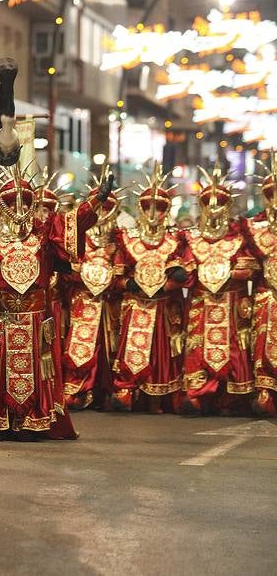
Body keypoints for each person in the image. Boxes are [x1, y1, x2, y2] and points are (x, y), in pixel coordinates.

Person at [0, 166, 102, 440]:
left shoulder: (45, 234)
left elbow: (73, 224)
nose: (19, 208)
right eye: (12, 201)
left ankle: (30, 419)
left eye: (25, 201)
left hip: (35, 318)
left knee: (35, 367)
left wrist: (94, 202)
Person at [111, 163, 193, 413]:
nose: (153, 213)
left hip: (164, 306)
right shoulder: (128, 239)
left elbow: (186, 272)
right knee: (132, 349)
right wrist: (129, 283)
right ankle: (128, 391)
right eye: (148, 207)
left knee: (163, 351)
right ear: (140, 209)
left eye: (159, 208)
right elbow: (117, 273)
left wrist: (169, 283)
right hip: (137, 304)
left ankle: (161, 395)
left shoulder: (175, 240)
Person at [182, 163, 260, 415]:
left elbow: (250, 268)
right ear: (202, 206)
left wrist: (228, 272)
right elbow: (185, 272)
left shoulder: (238, 238)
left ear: (227, 206)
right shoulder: (192, 238)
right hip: (202, 304)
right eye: (208, 202)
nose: (214, 208)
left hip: (230, 304)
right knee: (198, 347)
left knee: (234, 348)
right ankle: (197, 394)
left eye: (219, 202)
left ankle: (230, 398)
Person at [59, 169, 124, 411]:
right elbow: (66, 266)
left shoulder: (121, 238)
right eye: (100, 207)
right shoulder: (79, 236)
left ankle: (108, 390)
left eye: (108, 207)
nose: (103, 213)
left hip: (109, 303)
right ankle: (77, 388)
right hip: (82, 300)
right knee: (79, 345)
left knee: (111, 346)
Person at [243, 151, 277, 416]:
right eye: (271, 193)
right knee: (263, 342)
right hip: (267, 296)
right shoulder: (255, 229)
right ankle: (265, 390)